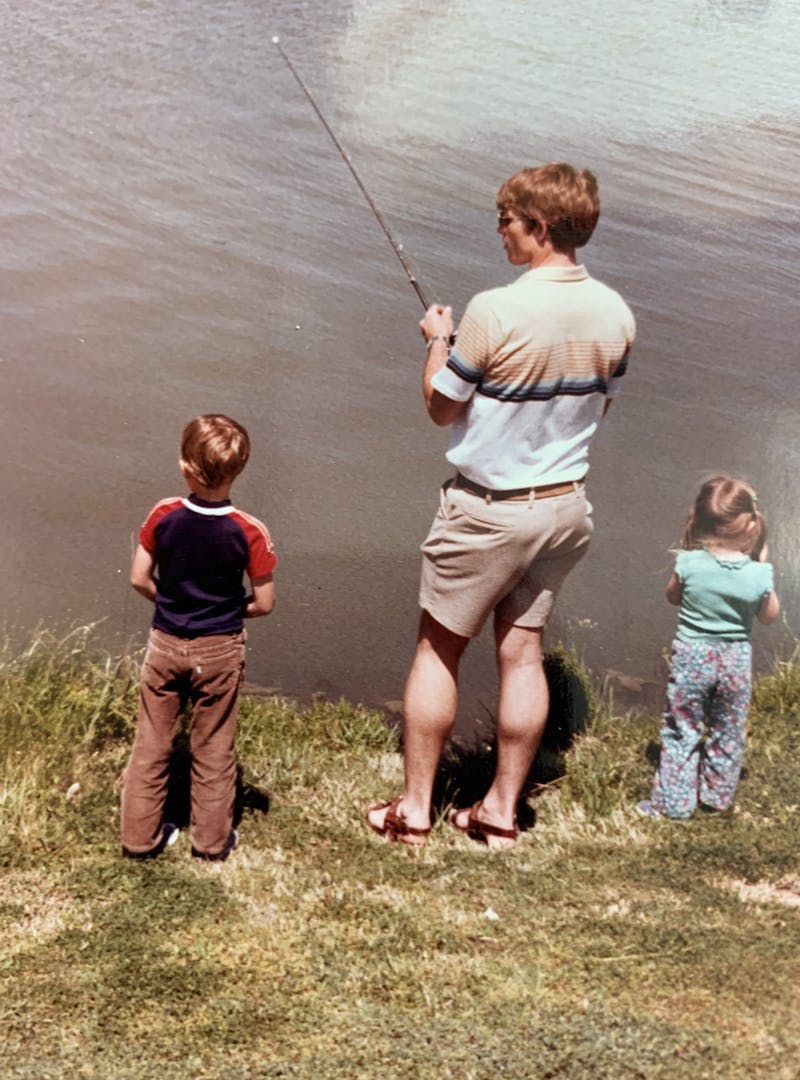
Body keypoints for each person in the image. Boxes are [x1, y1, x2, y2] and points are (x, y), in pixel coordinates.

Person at [367, 162, 635, 847]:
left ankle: (416, 809)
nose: (499, 232)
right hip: (565, 512)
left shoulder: (495, 308)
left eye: (507, 221)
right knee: (522, 653)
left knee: (438, 652)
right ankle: (499, 813)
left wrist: (438, 342)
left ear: (541, 229)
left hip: (489, 511)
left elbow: (439, 407)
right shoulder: (617, 313)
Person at [121, 414, 277, 860]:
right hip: (221, 648)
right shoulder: (250, 532)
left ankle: (139, 840)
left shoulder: (162, 515)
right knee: (213, 746)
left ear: (184, 466)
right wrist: (230, 610)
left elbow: (138, 578)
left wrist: (169, 603)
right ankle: (210, 844)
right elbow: (264, 604)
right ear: (239, 470)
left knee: (151, 743)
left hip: (166, 641)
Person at [638, 477, 779, 821]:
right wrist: (761, 563)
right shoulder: (759, 573)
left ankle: (673, 803)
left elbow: (672, 597)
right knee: (727, 728)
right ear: (750, 525)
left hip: (692, 657)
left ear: (697, 521)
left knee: (682, 726)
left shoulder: (688, 563)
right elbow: (769, 616)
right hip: (734, 660)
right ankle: (716, 796)